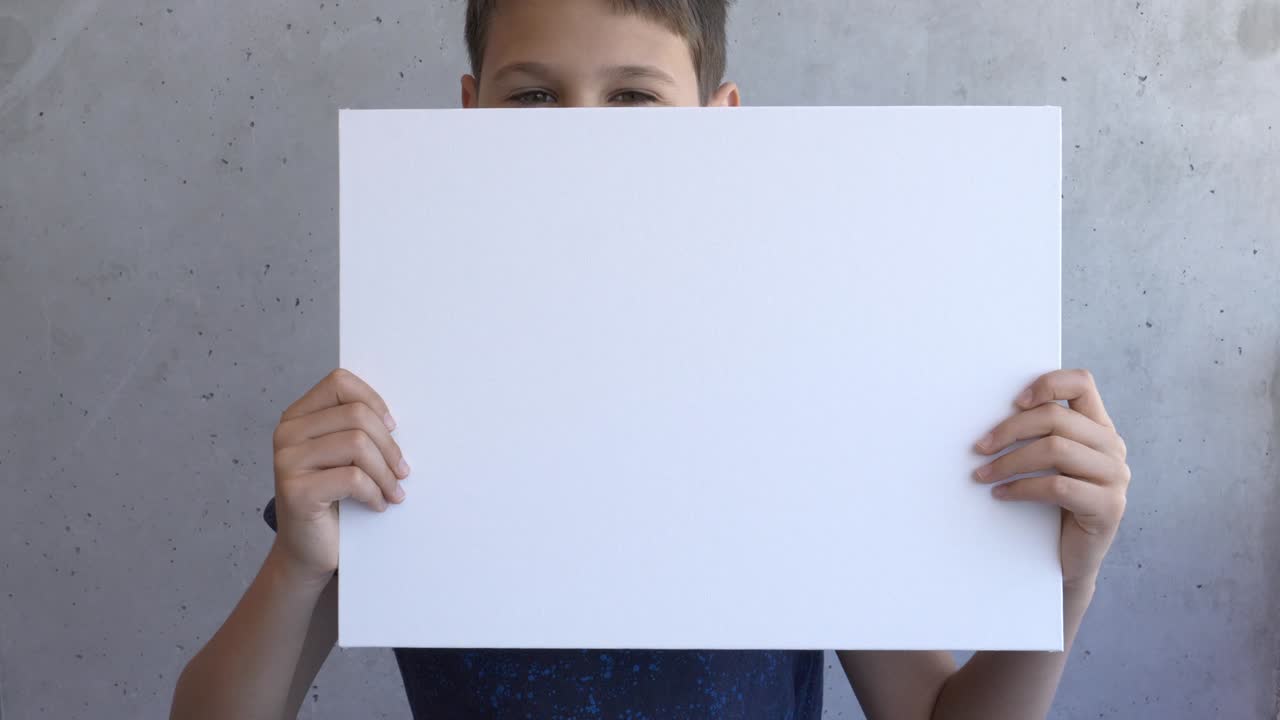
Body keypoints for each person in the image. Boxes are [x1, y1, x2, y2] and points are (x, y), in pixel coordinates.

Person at [170, 0, 1132, 717]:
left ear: (720, 121)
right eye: (535, 95)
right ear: (467, 113)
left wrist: (1066, 582)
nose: (583, 135)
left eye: (633, 96)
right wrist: (299, 560)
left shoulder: (804, 387)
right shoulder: (411, 393)